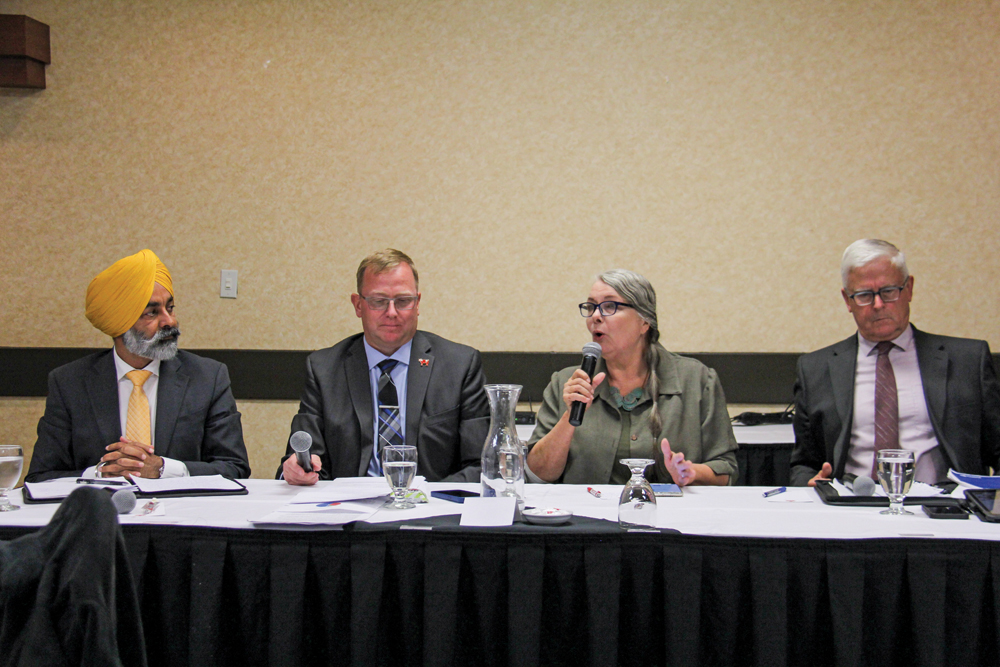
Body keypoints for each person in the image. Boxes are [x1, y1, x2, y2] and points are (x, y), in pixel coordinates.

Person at [26, 249, 250, 483]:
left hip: (181, 514)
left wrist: (164, 469)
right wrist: (100, 473)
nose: (170, 321)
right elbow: (41, 476)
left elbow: (234, 468)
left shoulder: (208, 377)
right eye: (152, 313)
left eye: (170, 308)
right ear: (119, 323)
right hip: (103, 515)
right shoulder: (69, 382)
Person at [791, 239, 1000, 487]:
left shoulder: (967, 361)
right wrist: (809, 483)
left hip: (944, 509)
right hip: (850, 508)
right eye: (864, 295)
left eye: (889, 291)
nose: (878, 305)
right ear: (847, 300)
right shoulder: (815, 369)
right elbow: (804, 464)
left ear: (909, 289)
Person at [279, 249, 489, 485]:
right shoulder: (323, 369)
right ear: (358, 305)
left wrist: (425, 499)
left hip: (429, 509)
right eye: (379, 302)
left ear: (417, 303)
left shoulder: (459, 366)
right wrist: (297, 470)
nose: (391, 313)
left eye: (403, 301)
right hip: (350, 511)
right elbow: (305, 459)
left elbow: (481, 464)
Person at [525, 269, 738, 485]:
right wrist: (569, 417)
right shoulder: (566, 382)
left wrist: (691, 473)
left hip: (671, 514)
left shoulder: (697, 381)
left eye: (610, 306)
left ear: (644, 322)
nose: (595, 316)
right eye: (591, 307)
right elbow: (537, 474)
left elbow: (725, 470)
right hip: (587, 515)